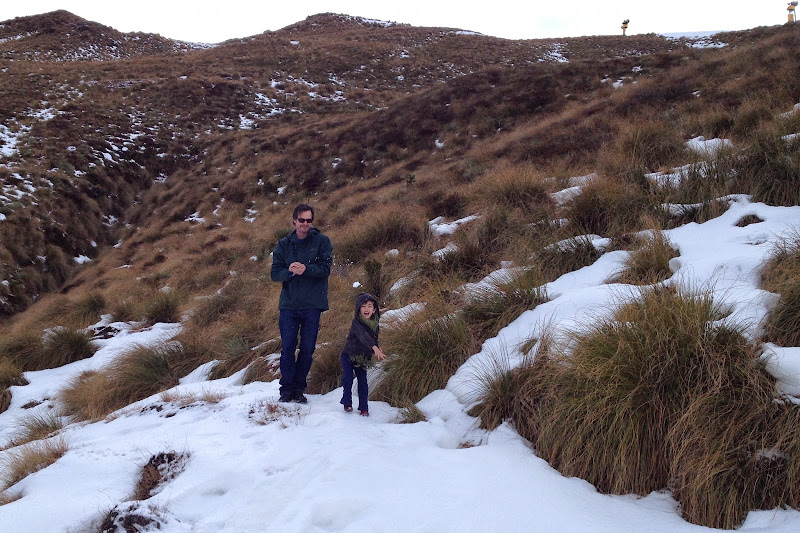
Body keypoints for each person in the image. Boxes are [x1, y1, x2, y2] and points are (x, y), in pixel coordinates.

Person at [271, 203, 333, 403]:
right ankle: (286, 390)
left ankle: (299, 390)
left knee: (307, 348)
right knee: (288, 348)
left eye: (309, 220)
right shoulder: (283, 244)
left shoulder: (322, 241)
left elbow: (325, 269)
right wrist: (290, 271)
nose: (305, 223)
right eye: (302, 220)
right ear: (294, 221)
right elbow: (275, 273)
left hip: (312, 305)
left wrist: (306, 269)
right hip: (289, 305)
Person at [340, 292, 387, 416]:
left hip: (363, 358)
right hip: (349, 355)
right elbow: (363, 336)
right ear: (358, 308)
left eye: (370, 306)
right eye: (363, 306)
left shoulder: (375, 324)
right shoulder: (356, 322)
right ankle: (347, 402)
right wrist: (374, 348)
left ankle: (364, 408)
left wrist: (378, 348)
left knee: (363, 382)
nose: (366, 309)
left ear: (374, 309)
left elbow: (373, 339)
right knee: (348, 378)